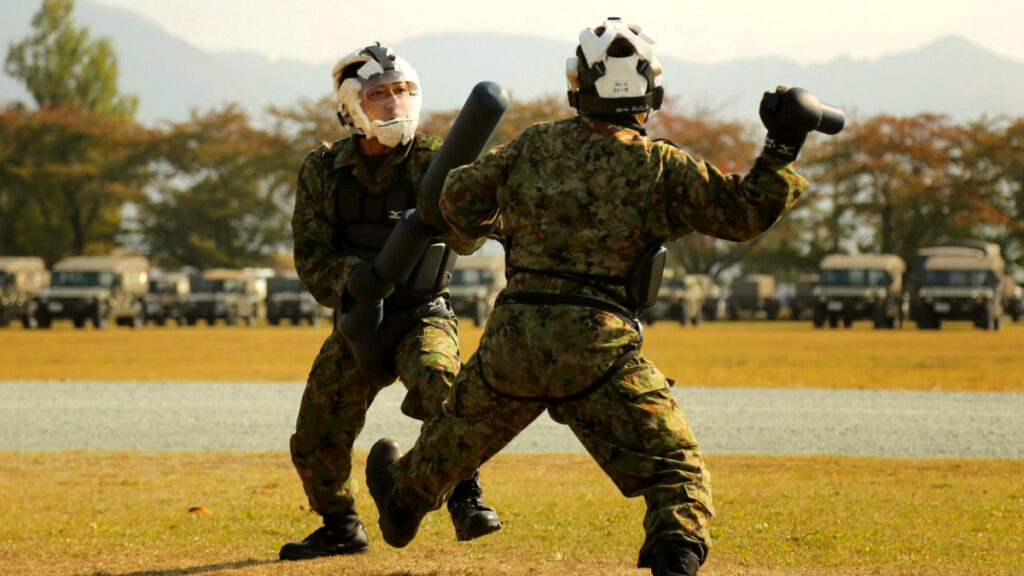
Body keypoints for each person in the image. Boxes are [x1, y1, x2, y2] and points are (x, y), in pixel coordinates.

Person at [365, 18, 817, 576]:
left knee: (447, 447)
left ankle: (403, 503)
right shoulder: (659, 165)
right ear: (650, 88)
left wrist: (508, 223)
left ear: (577, 85)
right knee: (675, 474)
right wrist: (782, 146)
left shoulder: (533, 144)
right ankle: (674, 559)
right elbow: (745, 212)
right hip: (600, 347)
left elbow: (454, 200)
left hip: (516, 341)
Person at [280, 43, 502, 561]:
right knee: (316, 433)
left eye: (402, 90)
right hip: (358, 318)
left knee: (443, 389)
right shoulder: (323, 169)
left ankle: (465, 496)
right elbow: (311, 256)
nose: (394, 102)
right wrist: (354, 280)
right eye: (379, 93)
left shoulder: (438, 160)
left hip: (425, 312)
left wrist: (464, 206)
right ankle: (340, 526)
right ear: (350, 106)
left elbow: (471, 241)